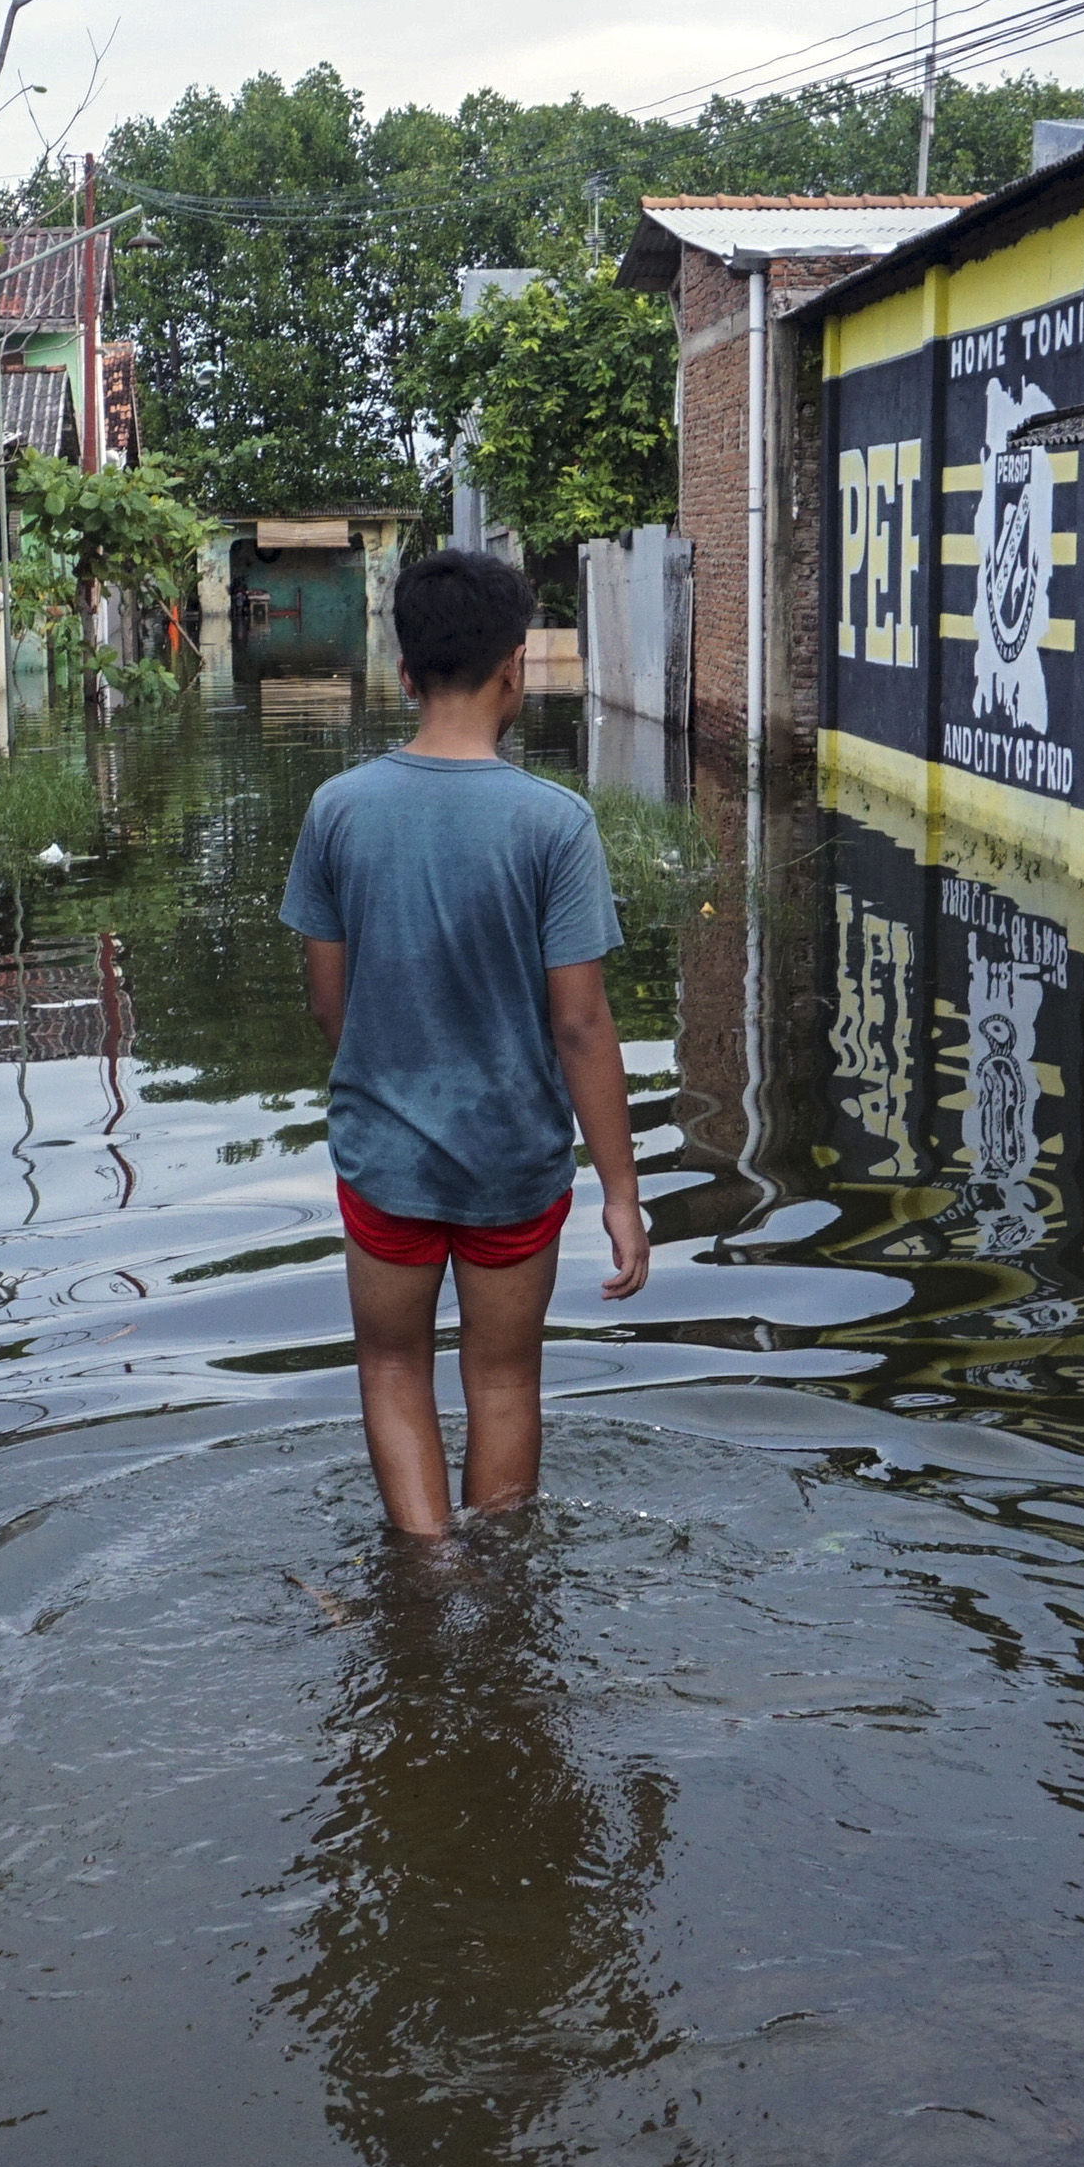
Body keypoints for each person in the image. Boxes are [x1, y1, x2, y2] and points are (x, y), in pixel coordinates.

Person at [280, 547, 650, 1539]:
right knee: (501, 1376)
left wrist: (387, 1082)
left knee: (392, 1364)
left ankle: (430, 1574)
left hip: (385, 1155)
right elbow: (579, 1024)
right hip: (513, 1163)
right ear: (514, 668)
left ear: (402, 675)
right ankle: (494, 1605)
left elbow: (328, 1004)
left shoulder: (338, 811)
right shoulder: (555, 824)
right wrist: (620, 1193)